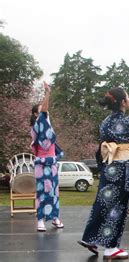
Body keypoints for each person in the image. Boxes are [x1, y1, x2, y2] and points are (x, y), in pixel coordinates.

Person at [78, 80, 129, 260]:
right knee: (118, 207)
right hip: (121, 169)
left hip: (108, 168)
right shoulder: (126, 122)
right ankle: (111, 247)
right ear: (123, 102)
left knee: (102, 203)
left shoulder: (106, 122)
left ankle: (90, 238)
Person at [30, 82, 65, 232]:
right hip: (41, 164)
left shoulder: (47, 126)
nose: (46, 112)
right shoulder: (37, 126)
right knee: (42, 192)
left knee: (54, 191)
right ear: (36, 115)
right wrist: (48, 93)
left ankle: (55, 218)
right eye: (42, 111)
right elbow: (44, 110)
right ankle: (40, 220)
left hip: (52, 163)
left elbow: (45, 111)